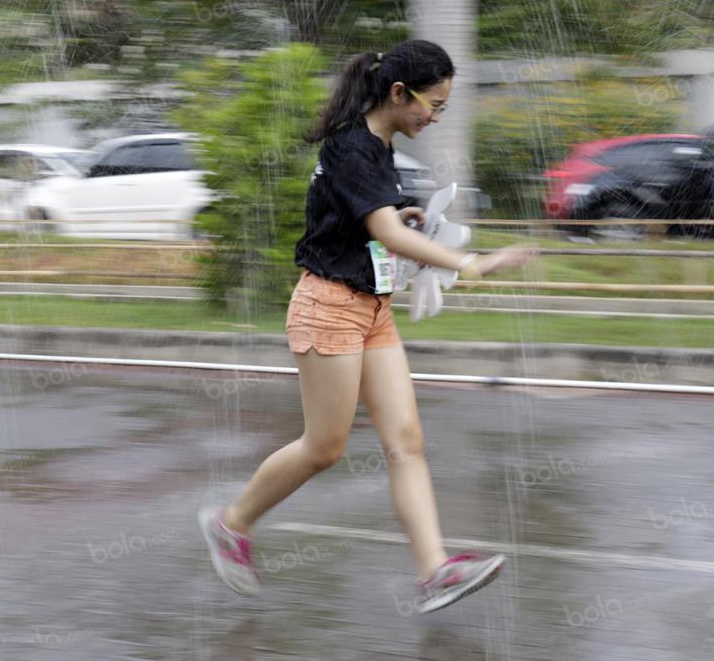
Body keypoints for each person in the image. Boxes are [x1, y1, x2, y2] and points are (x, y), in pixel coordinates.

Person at [199, 39, 535, 614]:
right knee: (323, 448)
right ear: (398, 94)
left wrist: (402, 215)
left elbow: (371, 218)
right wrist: (471, 263)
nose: (434, 116)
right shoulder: (353, 144)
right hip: (329, 307)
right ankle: (232, 524)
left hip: (372, 309)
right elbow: (385, 233)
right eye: (433, 104)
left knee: (406, 442)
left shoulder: (377, 147)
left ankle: (434, 571)